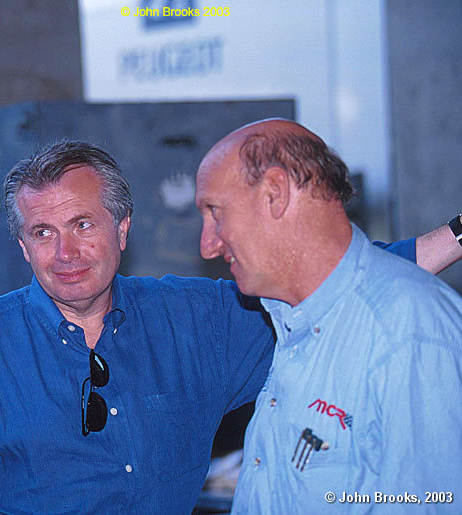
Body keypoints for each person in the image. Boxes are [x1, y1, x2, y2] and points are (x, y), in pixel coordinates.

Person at [0, 140, 452, 513]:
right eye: (43, 233)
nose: (65, 253)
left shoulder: (197, 321)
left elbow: (336, 279)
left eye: (81, 224)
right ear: (23, 247)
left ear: (122, 228)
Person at [195, 119, 462, 513]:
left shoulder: (408, 329)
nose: (208, 245)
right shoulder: (288, 321)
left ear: (275, 193)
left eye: (215, 212)